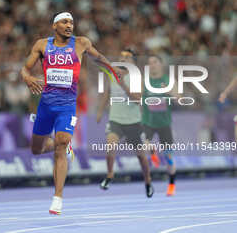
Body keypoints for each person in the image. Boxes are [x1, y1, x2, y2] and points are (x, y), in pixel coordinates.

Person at [21, 12, 120, 215]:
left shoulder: (81, 43)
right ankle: (65, 150)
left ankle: (57, 198)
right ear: (54, 26)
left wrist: (113, 71)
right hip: (46, 105)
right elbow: (24, 68)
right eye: (65, 22)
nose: (69, 25)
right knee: (37, 149)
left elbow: (99, 58)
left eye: (72, 22)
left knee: (62, 141)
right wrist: (27, 78)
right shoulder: (42, 45)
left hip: (67, 106)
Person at [97, 49, 154, 198]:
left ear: (134, 62)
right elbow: (106, 93)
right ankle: (110, 175)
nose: (123, 59)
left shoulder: (137, 77)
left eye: (127, 57)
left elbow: (137, 99)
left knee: (141, 156)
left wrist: (123, 85)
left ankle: (147, 180)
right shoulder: (112, 74)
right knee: (110, 146)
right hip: (115, 119)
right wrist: (100, 110)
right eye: (121, 57)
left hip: (133, 122)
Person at [141, 55, 178, 196]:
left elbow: (179, 99)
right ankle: (152, 151)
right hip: (148, 122)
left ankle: (171, 185)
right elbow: (137, 98)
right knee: (145, 145)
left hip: (164, 124)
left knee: (169, 158)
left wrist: (168, 91)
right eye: (149, 63)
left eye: (155, 62)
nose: (152, 65)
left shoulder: (169, 81)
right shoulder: (145, 81)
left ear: (161, 64)